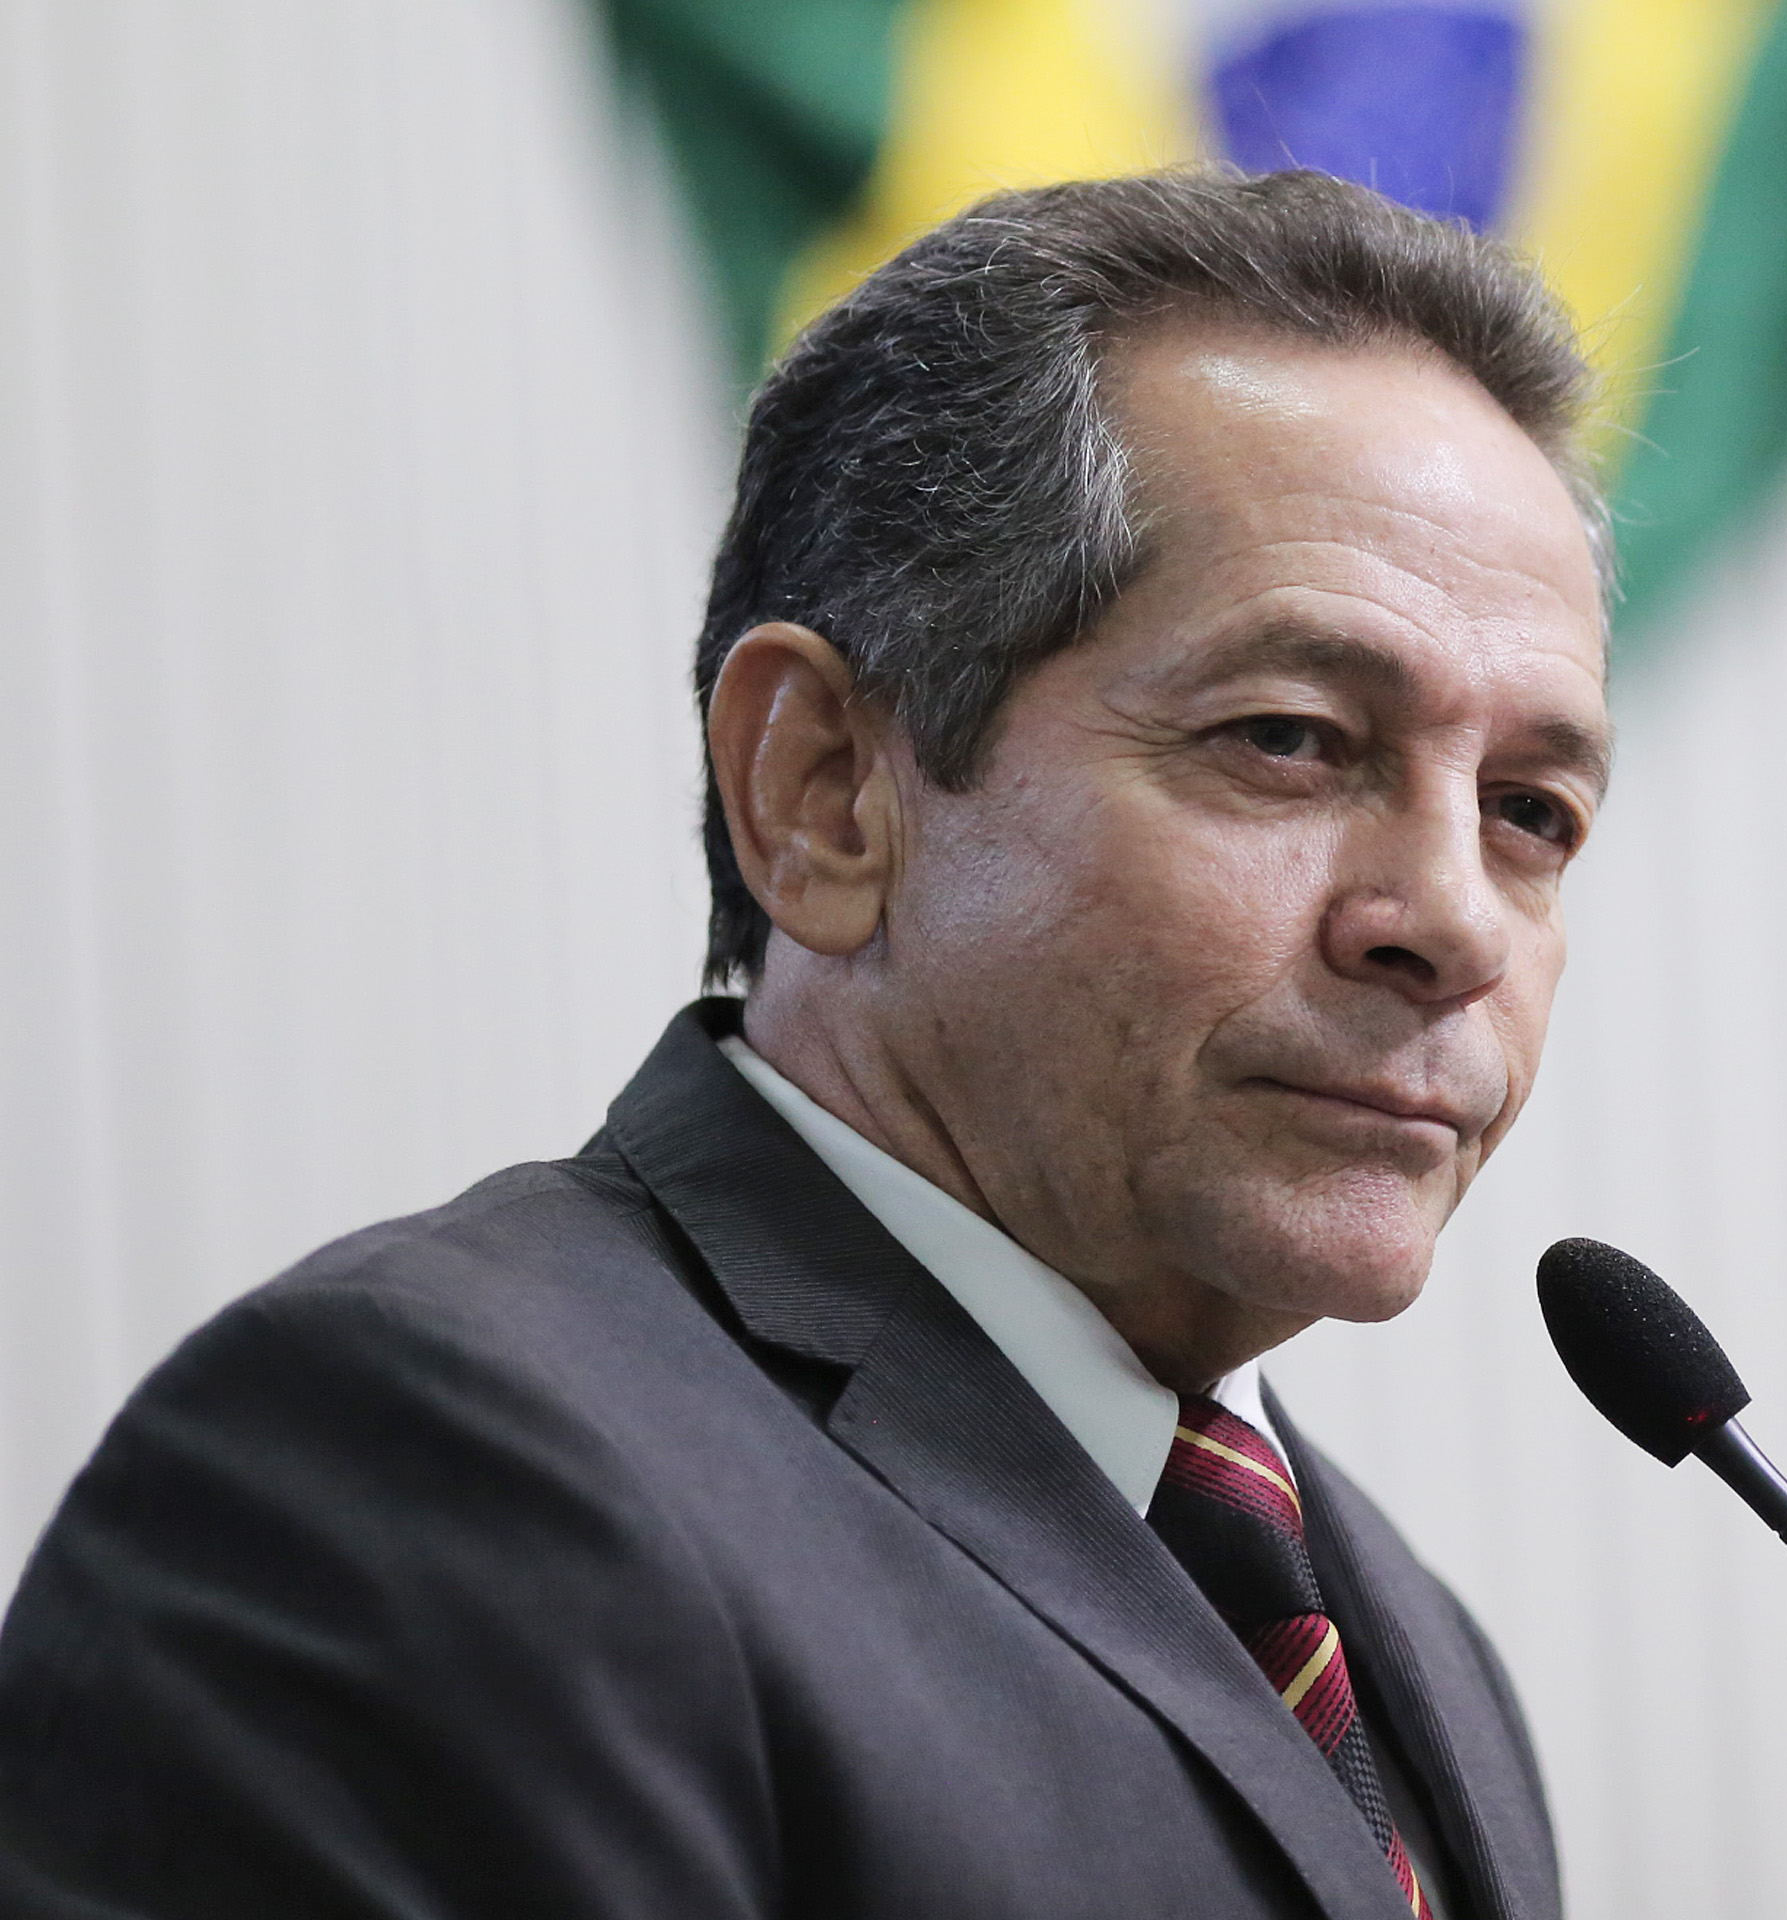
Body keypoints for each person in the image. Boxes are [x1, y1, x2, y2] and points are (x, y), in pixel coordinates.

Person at [0, 168, 1613, 1920]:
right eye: (1289, 738)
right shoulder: (421, 1475)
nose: (1452, 920)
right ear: (826, 791)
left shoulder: (1409, 1652)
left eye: (1531, 811)